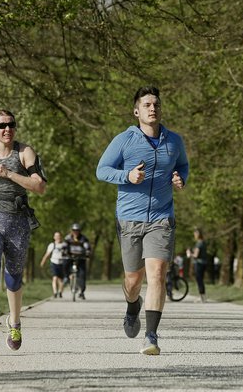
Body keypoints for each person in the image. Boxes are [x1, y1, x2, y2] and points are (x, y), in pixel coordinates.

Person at [96, 86, 189, 355]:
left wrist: (180, 178)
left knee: (158, 274)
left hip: (162, 218)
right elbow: (101, 170)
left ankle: (151, 335)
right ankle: (131, 306)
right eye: (147, 104)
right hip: (129, 219)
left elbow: (182, 166)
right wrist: (127, 177)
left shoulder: (174, 141)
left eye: (156, 104)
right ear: (136, 111)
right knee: (133, 280)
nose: (152, 108)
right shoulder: (124, 140)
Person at [0, 109, 47, 351]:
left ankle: (14, 323)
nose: (7, 129)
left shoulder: (24, 153)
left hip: (17, 222)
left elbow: (40, 186)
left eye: (11, 125)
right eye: (1, 125)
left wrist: (11, 174)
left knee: (13, 278)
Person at [64, 223, 91, 299]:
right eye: (74, 230)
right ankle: (66, 277)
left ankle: (81, 291)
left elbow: (87, 247)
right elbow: (64, 246)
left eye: (77, 230)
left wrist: (87, 253)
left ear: (79, 231)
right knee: (65, 263)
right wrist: (64, 251)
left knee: (82, 274)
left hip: (81, 257)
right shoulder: (68, 238)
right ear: (72, 231)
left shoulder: (83, 238)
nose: (76, 232)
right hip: (70, 256)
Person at [40, 231, 68, 298]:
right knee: (55, 278)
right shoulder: (52, 245)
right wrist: (43, 262)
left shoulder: (64, 245)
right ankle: (55, 292)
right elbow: (47, 254)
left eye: (59, 236)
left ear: (61, 237)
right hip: (54, 262)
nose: (58, 237)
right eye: (56, 236)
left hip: (62, 263)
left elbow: (68, 254)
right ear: (54, 237)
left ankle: (60, 292)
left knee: (61, 280)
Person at [187, 228, 207, 303]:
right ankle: (203, 296)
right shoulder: (203, 242)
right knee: (201, 279)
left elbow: (195, 255)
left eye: (195, 234)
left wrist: (189, 253)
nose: (194, 235)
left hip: (198, 263)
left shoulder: (199, 243)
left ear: (198, 235)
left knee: (199, 280)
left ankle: (201, 296)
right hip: (204, 263)